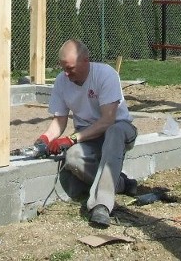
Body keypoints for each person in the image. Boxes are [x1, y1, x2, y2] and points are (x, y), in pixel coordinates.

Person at [35, 39, 138, 227]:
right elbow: (59, 121)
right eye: (64, 68)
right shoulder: (61, 81)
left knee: (114, 131)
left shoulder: (106, 74)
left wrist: (73, 138)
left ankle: (101, 205)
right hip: (88, 136)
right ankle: (121, 184)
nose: (66, 74)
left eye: (71, 68)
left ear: (86, 61)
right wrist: (45, 139)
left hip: (119, 129)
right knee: (72, 158)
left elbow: (108, 120)